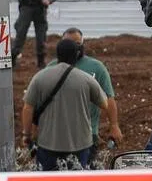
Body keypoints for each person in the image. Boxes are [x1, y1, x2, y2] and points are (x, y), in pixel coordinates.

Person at [21, 37, 110, 170]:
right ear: (76, 55)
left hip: (48, 144)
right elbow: (104, 104)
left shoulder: (40, 77)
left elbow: (28, 108)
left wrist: (27, 135)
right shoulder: (86, 79)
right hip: (80, 144)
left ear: (58, 54)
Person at [61, 27, 123, 156]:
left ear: (83, 44)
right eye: (69, 44)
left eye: (77, 43)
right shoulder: (52, 68)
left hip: (88, 134)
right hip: (58, 136)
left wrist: (114, 126)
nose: (73, 47)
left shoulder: (96, 68)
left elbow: (109, 98)